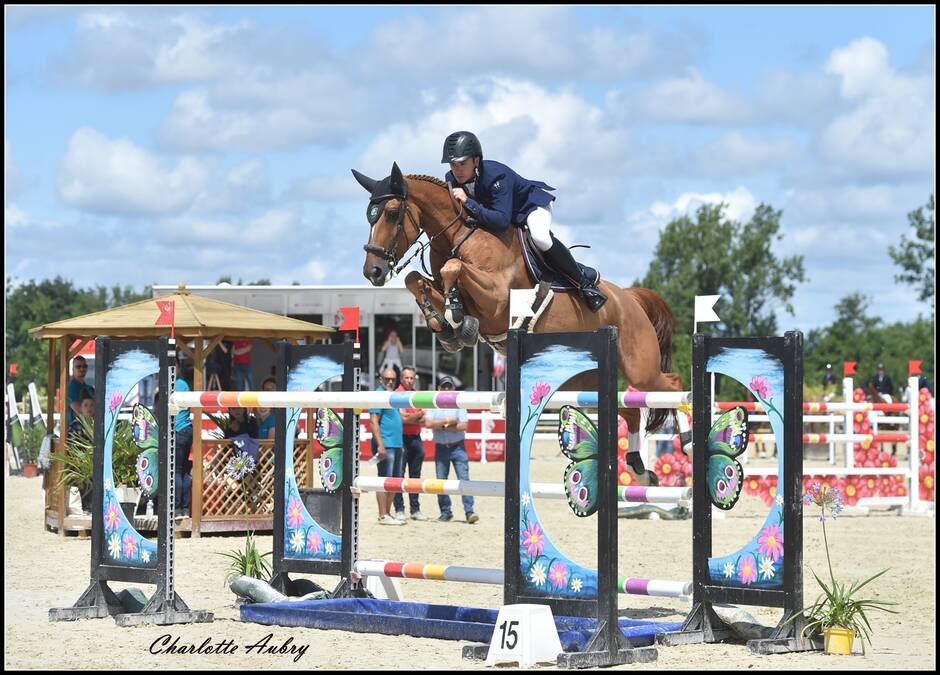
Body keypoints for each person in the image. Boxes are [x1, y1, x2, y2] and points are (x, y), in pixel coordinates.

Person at [441, 130, 607, 312]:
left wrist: (468, 202)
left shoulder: (497, 177)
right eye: (453, 165)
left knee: (540, 238)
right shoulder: (451, 180)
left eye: (462, 163)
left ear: (476, 160)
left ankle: (584, 283)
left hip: (530, 208)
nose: (457, 170)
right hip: (502, 214)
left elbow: (501, 221)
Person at [423, 376, 479, 524]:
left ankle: (469, 511)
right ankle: (446, 512)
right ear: (439, 389)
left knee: (464, 479)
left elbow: (464, 426)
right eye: (444, 387)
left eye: (449, 387)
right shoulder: (433, 403)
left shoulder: (459, 403)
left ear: (453, 388)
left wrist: (440, 425)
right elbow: (428, 423)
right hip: (442, 447)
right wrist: (448, 422)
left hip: (457, 446)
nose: (446, 390)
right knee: (440, 481)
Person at [369, 368, 406, 525]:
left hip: (396, 445)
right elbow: (373, 421)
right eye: (387, 379)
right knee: (384, 480)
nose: (390, 381)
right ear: (380, 379)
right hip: (386, 445)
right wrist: (381, 445)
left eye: (392, 379)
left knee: (395, 481)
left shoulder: (393, 396)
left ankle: (388, 513)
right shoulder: (378, 395)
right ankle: (382, 514)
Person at [394, 366, 427, 521]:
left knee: (415, 476)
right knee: (399, 476)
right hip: (401, 438)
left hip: (415, 438)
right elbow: (403, 419)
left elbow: (422, 419)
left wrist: (411, 417)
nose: (409, 380)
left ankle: (415, 509)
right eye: (406, 377)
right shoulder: (397, 395)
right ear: (401, 379)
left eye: (411, 378)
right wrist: (416, 415)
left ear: (415, 379)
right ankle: (399, 509)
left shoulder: (416, 395)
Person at [173, 361, 195, 515]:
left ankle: (177, 507)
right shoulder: (184, 384)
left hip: (178, 430)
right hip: (187, 429)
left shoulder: (173, 384)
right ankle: (185, 507)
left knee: (176, 470)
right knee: (184, 470)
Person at [67, 356, 94, 428]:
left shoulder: (90, 388)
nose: (82, 369)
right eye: (78, 366)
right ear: (73, 369)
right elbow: (79, 410)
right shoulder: (71, 387)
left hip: (88, 430)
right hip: (75, 431)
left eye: (84, 366)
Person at [256, 376, 277, 441]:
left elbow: (269, 445)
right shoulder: (259, 421)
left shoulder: (273, 420)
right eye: (267, 390)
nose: (270, 391)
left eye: (272, 388)